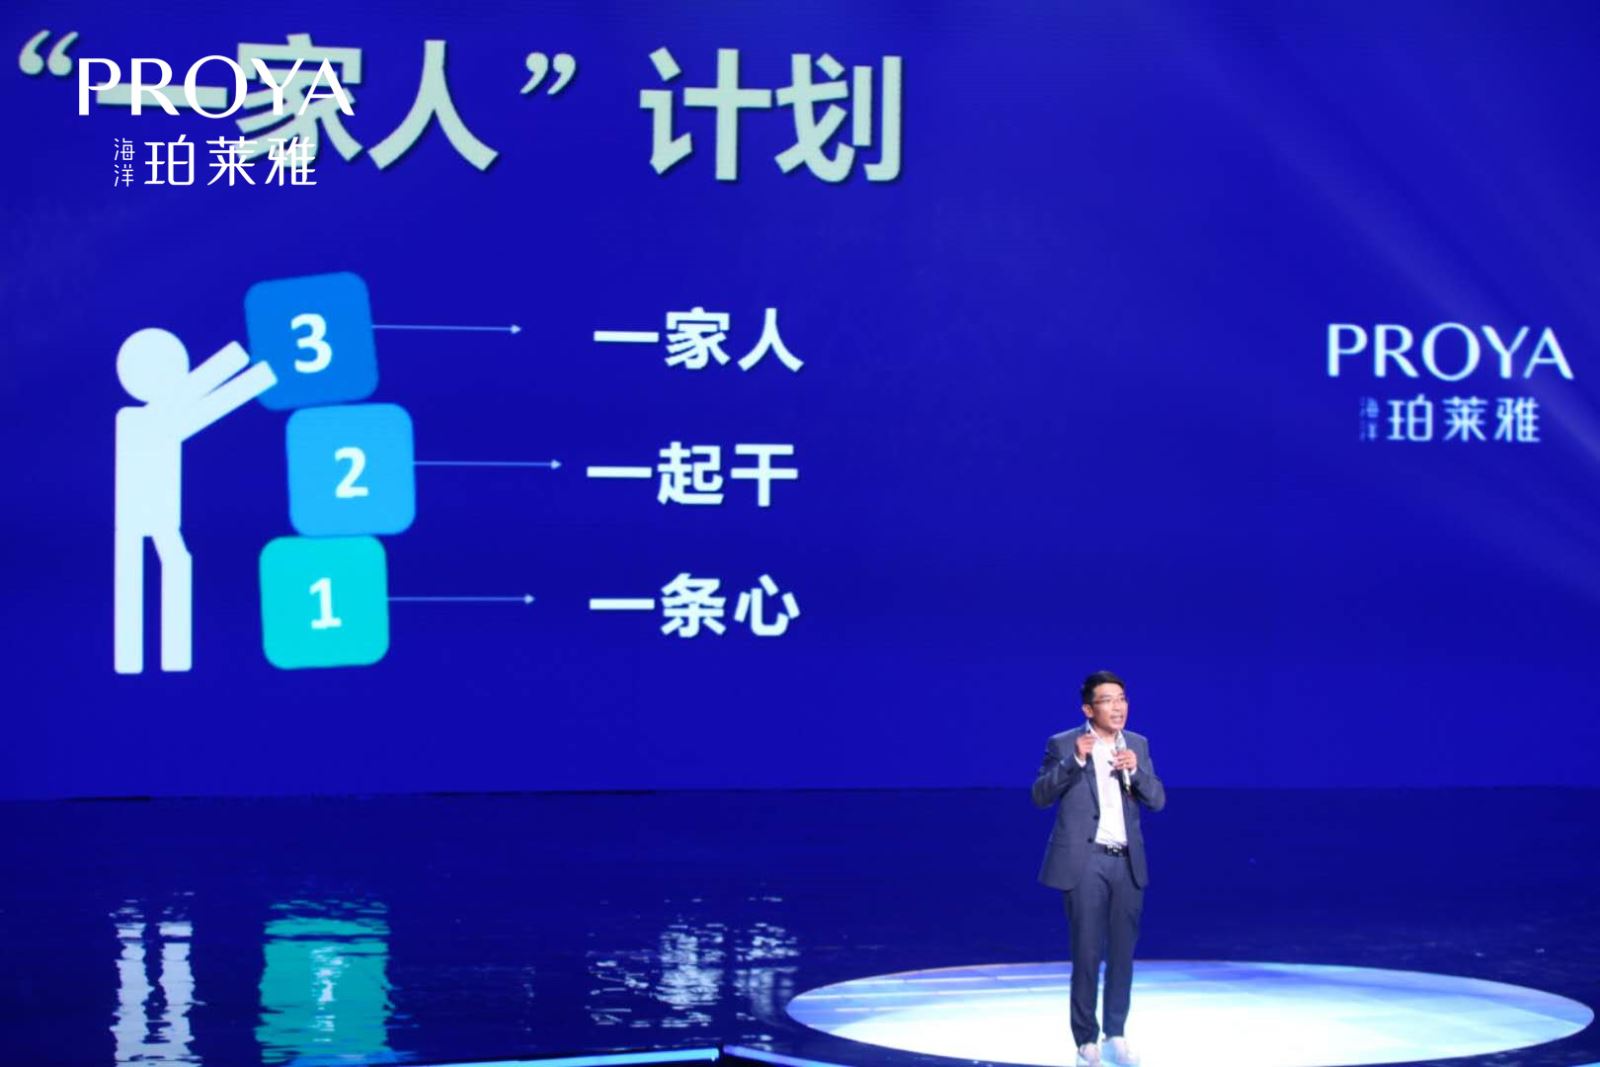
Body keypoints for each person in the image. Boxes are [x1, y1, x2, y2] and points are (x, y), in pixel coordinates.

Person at [115, 328, 277, 673]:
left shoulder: (154, 418)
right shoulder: (138, 420)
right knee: (138, 575)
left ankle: (168, 658)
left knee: (172, 565)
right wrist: (250, 372)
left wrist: (252, 372)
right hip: (135, 518)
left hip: (161, 517)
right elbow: (200, 408)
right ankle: (134, 657)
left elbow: (197, 410)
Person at [1032, 670, 1166, 1067]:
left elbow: (1157, 800)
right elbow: (1040, 795)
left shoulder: (1137, 744)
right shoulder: (1064, 743)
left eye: (1122, 698)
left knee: (1123, 953)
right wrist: (1074, 761)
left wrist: (1135, 772)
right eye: (1108, 700)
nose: (1118, 707)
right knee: (1087, 952)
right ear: (1088, 710)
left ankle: (1116, 1034)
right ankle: (1085, 1040)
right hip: (1085, 861)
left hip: (1127, 861)